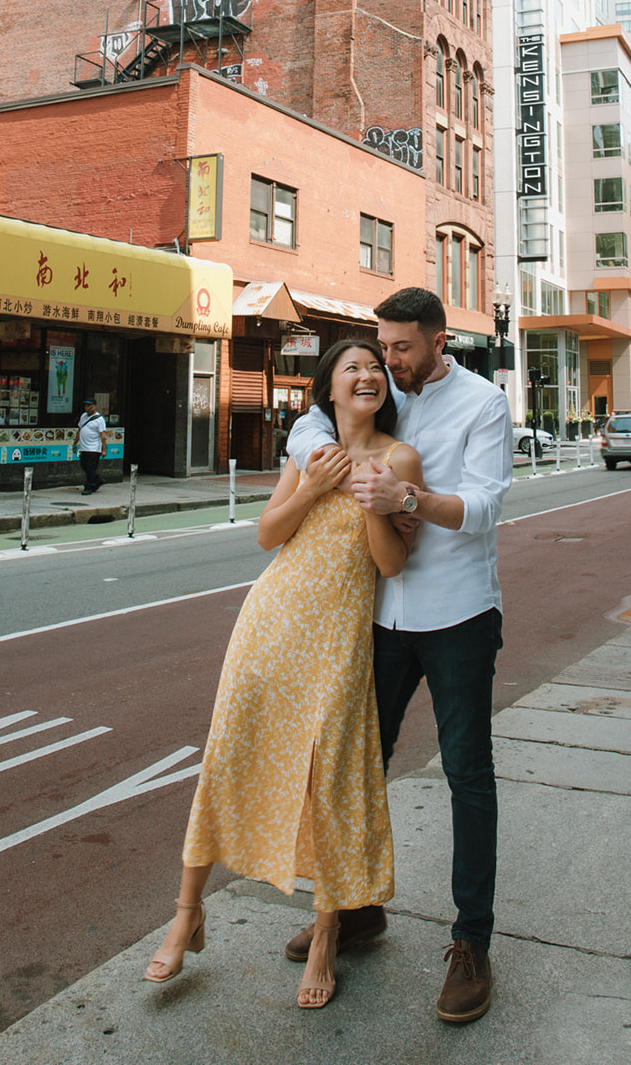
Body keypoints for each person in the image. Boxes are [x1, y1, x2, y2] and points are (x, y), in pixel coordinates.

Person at [142, 340, 421, 1009]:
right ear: (328, 387)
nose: (367, 375)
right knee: (229, 755)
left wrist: (375, 498)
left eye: (374, 368)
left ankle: (327, 936)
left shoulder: (398, 458)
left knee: (328, 780)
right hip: (270, 622)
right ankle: (186, 912)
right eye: (352, 367)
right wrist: (316, 486)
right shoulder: (309, 452)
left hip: (339, 638)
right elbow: (268, 534)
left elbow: (389, 566)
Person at [285, 287, 513, 1025]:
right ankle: (356, 910)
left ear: (439, 341)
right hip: (379, 616)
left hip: (458, 616)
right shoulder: (382, 393)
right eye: (382, 347)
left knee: (467, 774)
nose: (387, 362)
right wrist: (320, 459)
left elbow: (482, 511)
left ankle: (471, 942)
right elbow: (310, 427)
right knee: (356, 765)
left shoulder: (483, 403)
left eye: (402, 348)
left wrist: (407, 498)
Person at [72, 398, 106, 493]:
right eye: (85, 405)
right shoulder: (83, 416)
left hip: (94, 448)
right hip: (83, 447)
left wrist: (104, 450)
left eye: (89, 405)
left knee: (91, 468)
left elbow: (103, 436)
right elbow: (80, 430)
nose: (86, 407)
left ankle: (89, 487)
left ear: (94, 406)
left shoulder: (99, 419)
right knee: (84, 465)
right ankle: (97, 479)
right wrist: (75, 443)